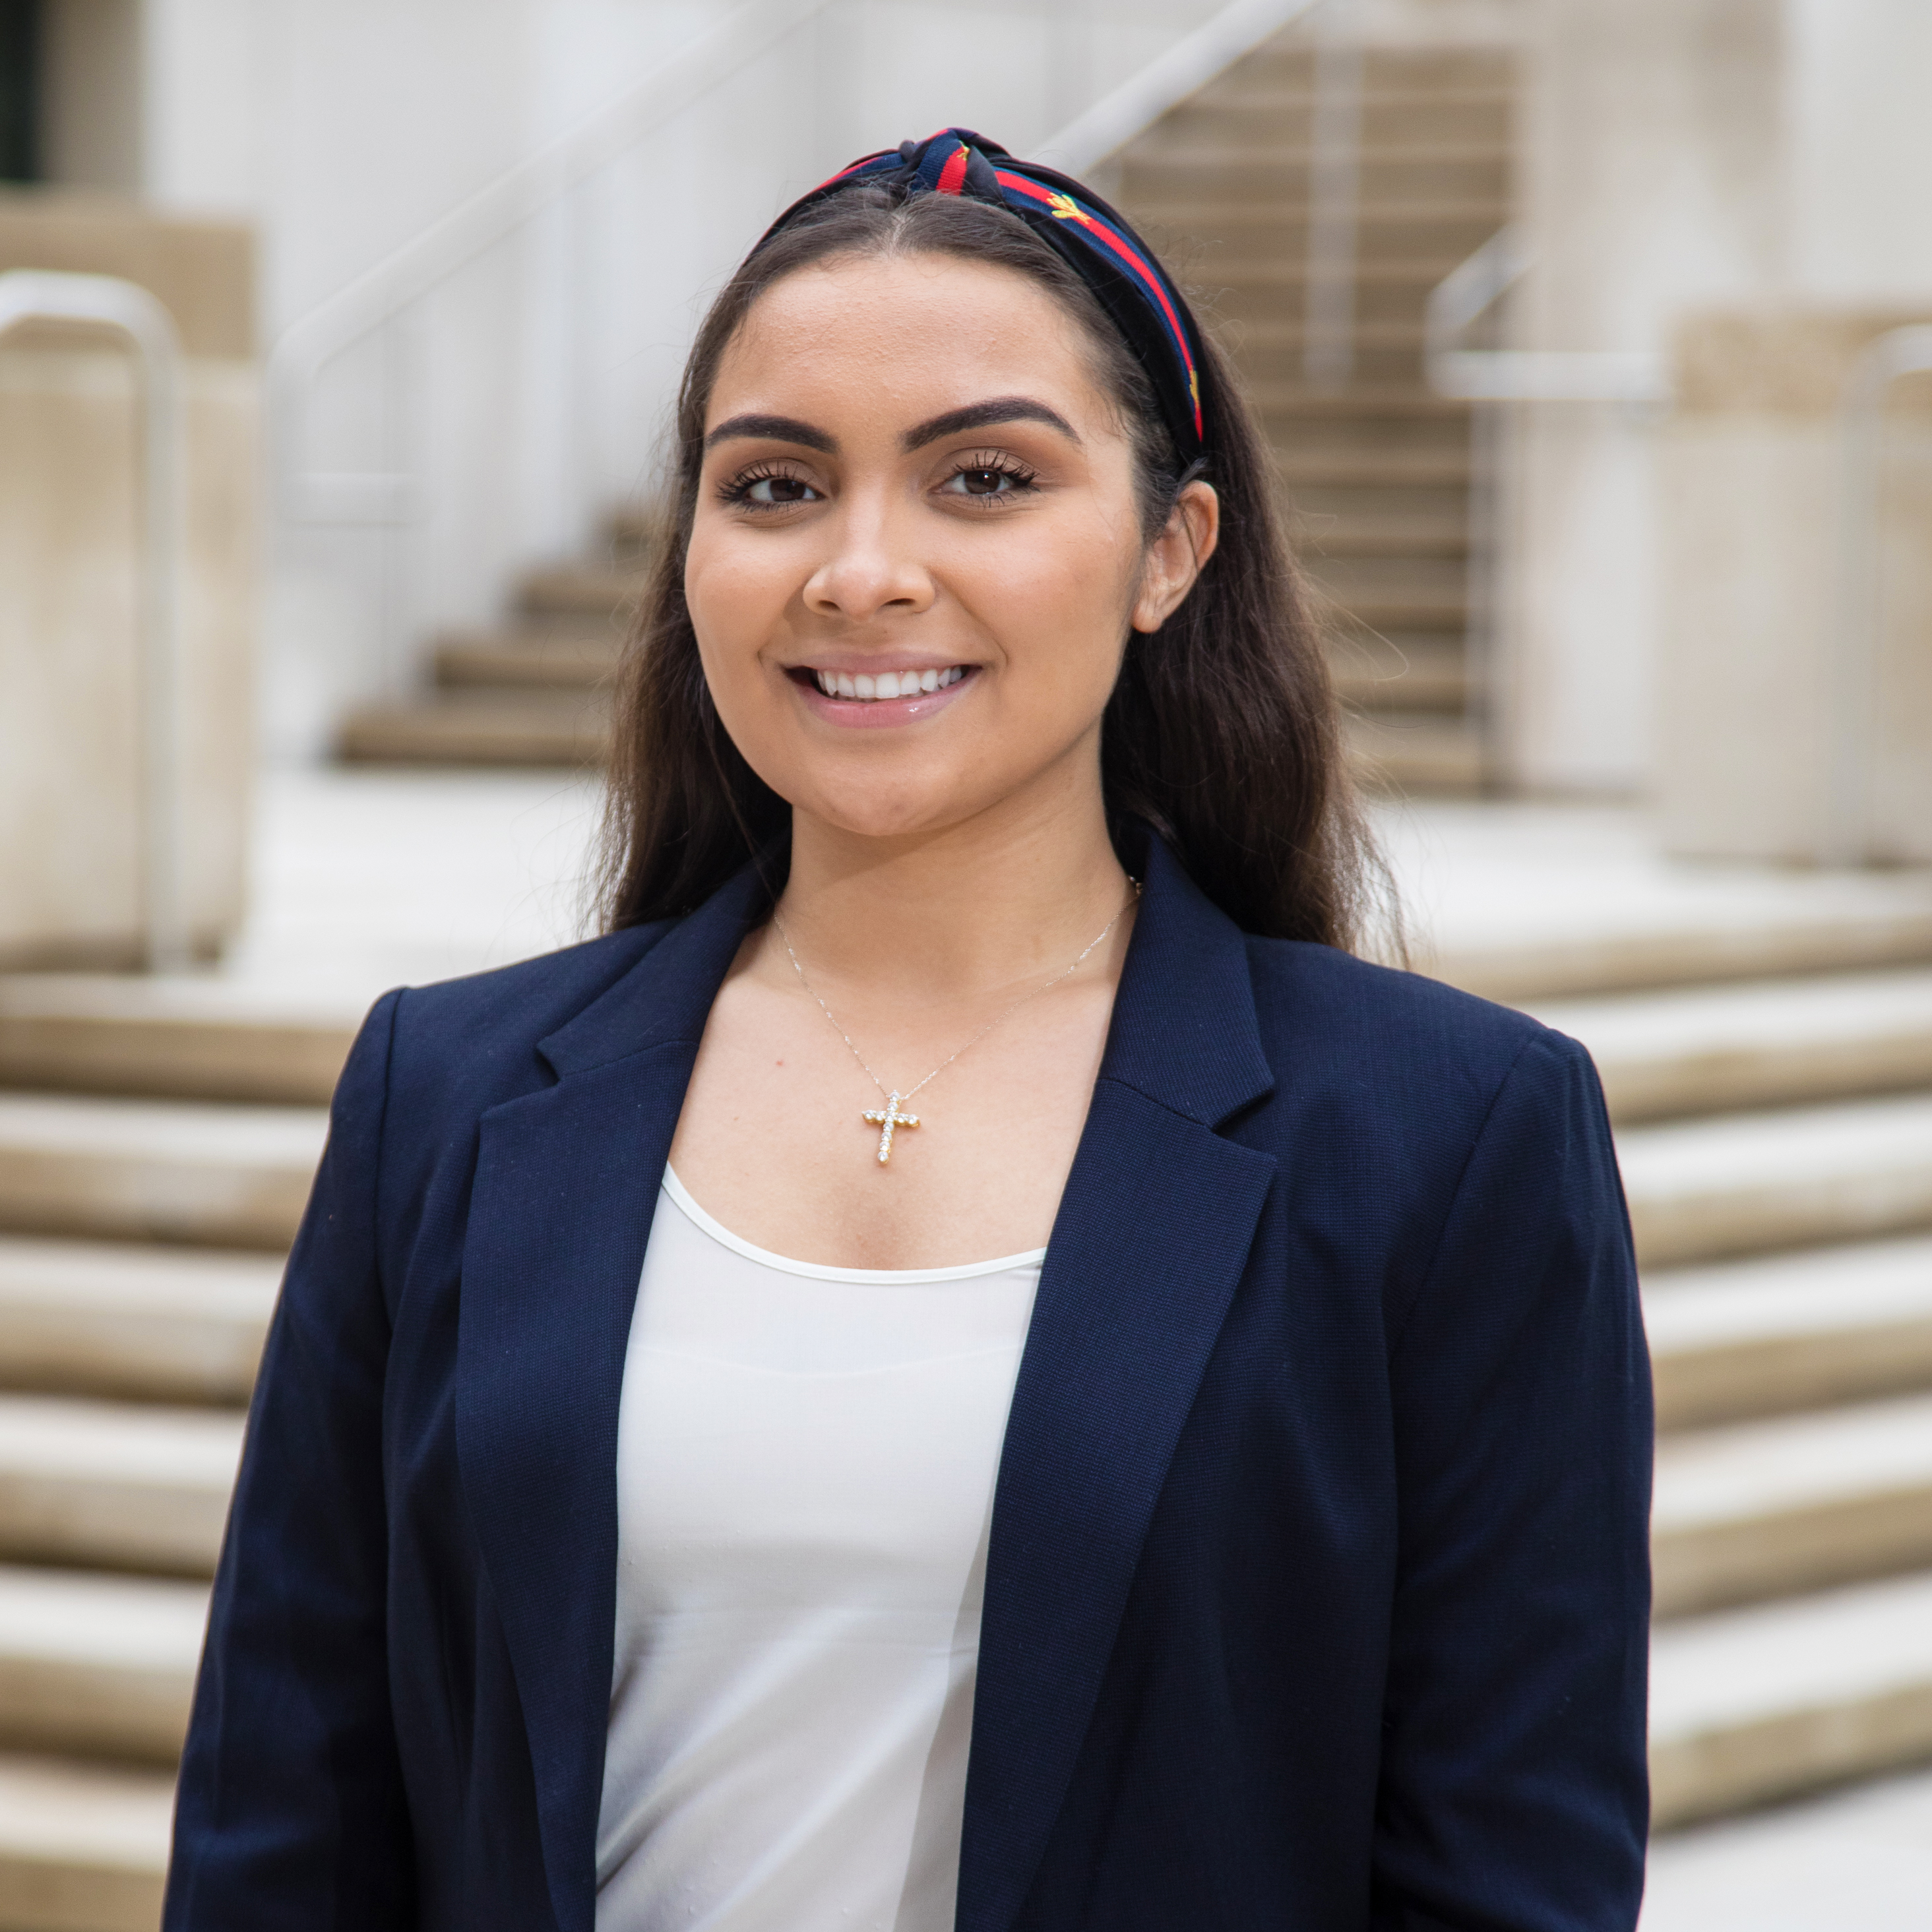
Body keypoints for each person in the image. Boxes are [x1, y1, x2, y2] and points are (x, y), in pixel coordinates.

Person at [164, 129, 1650, 1932]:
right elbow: (281, 1827)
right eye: (775, 487)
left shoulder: (1450, 1136)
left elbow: (1505, 1871)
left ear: (1170, 547)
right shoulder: (445, 1096)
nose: (858, 571)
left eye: (983, 479)